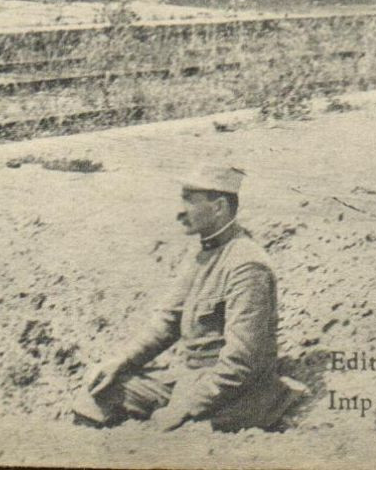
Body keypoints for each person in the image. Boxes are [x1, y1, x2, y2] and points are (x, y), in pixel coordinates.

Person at [75, 164, 302, 431]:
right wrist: (120, 362)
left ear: (218, 207)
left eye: (189, 201)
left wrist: (185, 407)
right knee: (96, 395)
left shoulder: (247, 266)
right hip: (188, 379)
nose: (179, 212)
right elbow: (167, 322)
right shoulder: (203, 254)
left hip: (235, 395)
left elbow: (241, 363)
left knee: (173, 437)